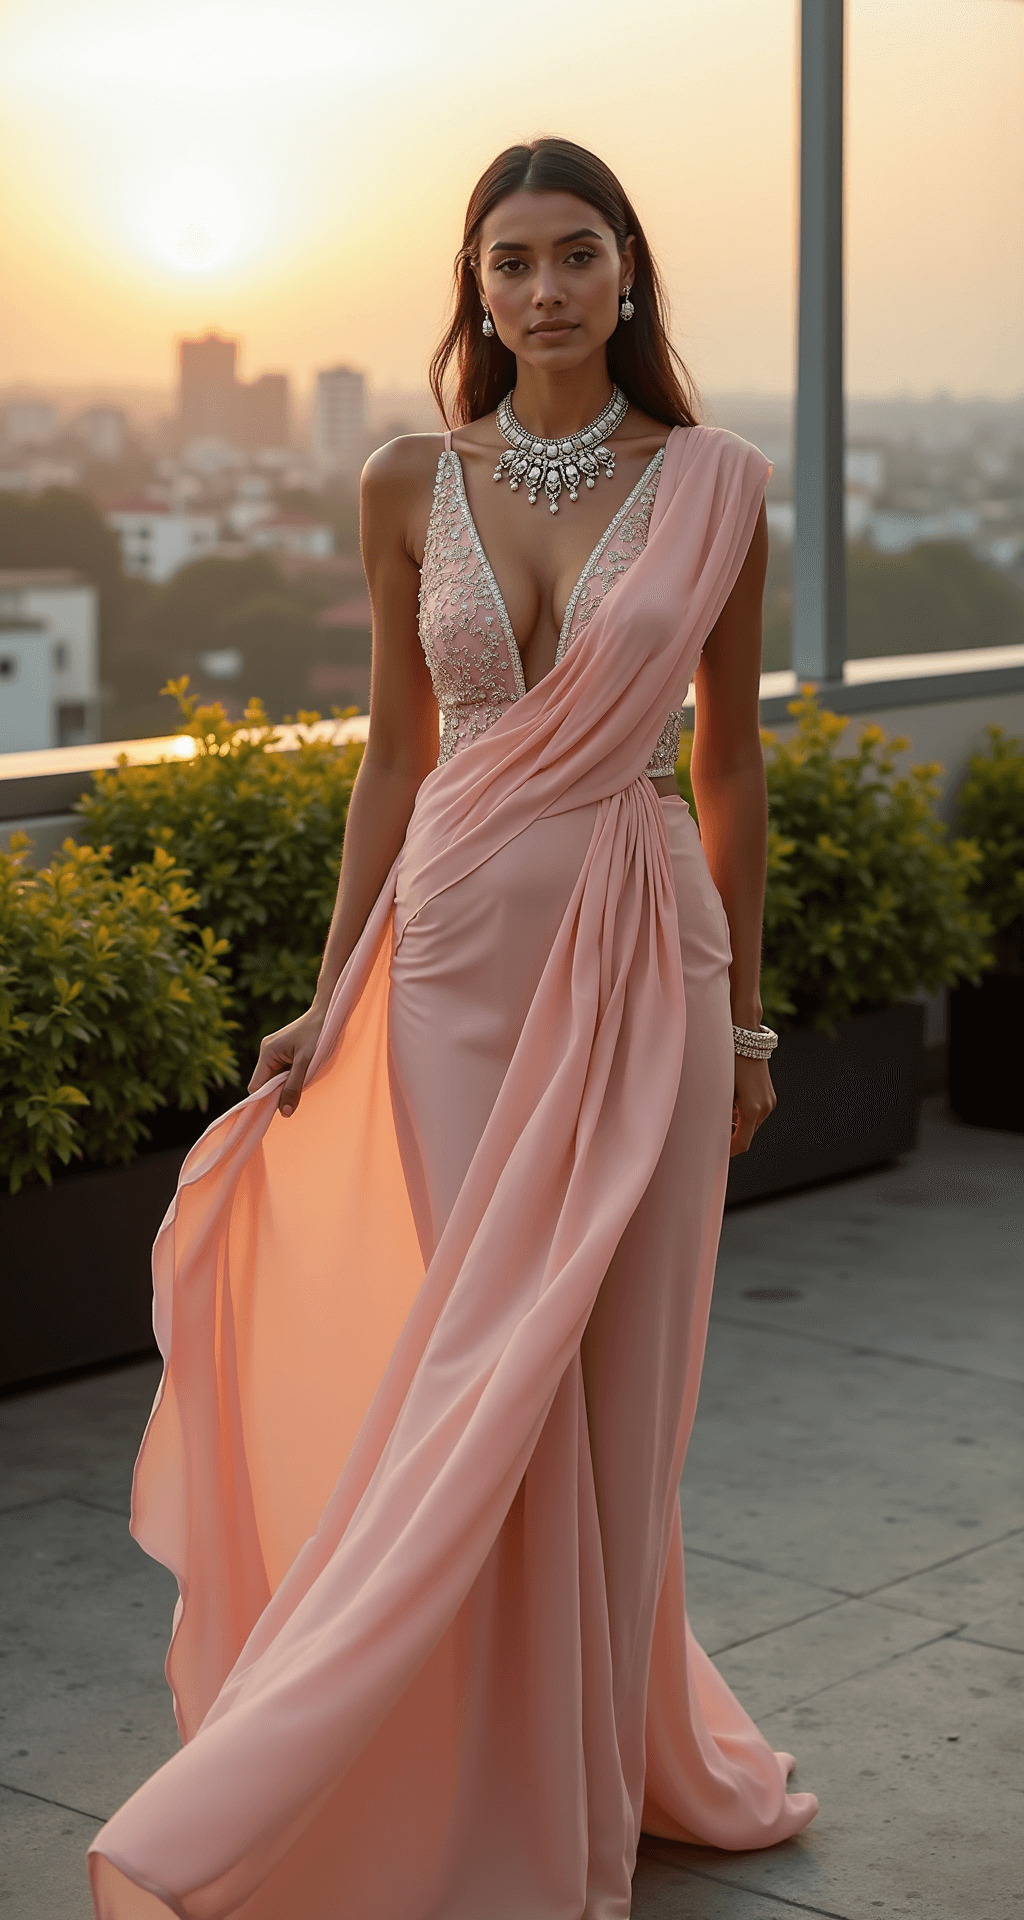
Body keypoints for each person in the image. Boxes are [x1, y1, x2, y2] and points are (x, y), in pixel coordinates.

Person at [89, 137, 817, 1920]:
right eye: (513, 261)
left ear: (627, 275)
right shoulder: (408, 477)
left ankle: (606, 1754)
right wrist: (331, 990)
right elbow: (396, 759)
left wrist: (744, 1028)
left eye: (579, 254)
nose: (548, 287)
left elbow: (727, 769)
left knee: (612, 1386)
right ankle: (457, 1765)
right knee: (471, 1378)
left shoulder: (718, 481)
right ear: (475, 289)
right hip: (449, 970)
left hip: (648, 956)